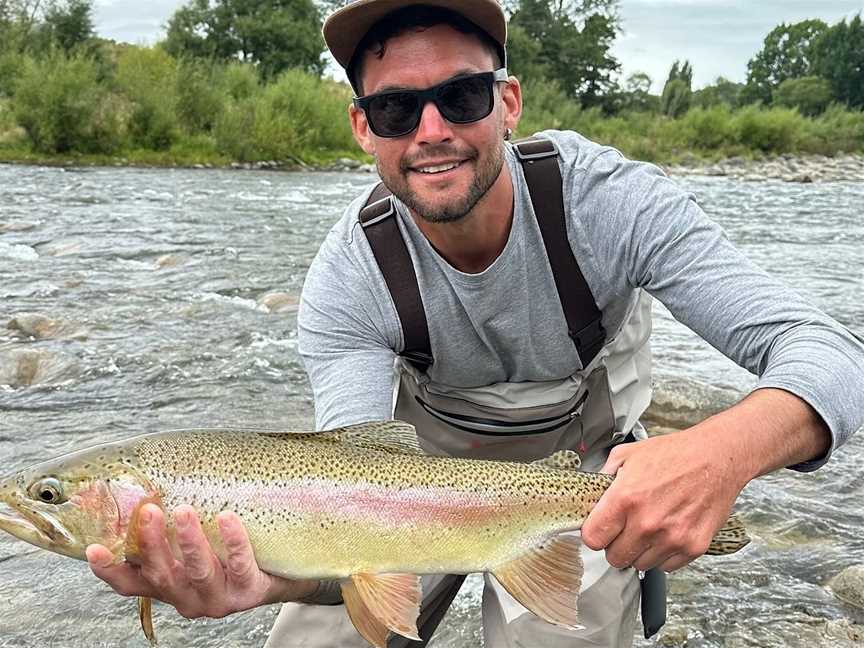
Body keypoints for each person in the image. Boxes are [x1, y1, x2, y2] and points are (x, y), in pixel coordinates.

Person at [85, 1, 864, 646]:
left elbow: (831, 355)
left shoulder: (609, 203)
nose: (430, 130)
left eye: (460, 97)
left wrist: (719, 454)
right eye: (395, 108)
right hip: (409, 482)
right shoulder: (349, 279)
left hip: (586, 462)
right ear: (363, 129)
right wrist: (268, 577)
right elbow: (349, 488)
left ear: (509, 103)